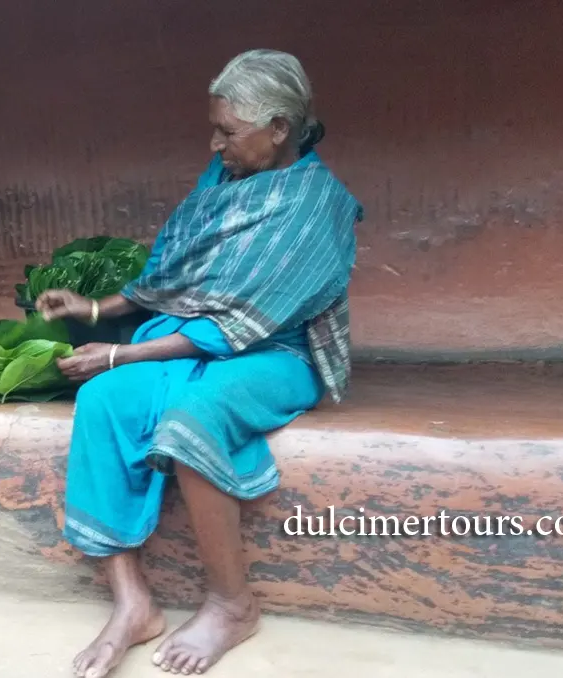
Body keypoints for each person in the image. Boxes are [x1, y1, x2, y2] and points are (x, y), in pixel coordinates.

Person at [36, 49, 362, 677]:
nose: (215, 144)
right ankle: (133, 604)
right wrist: (97, 310)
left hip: (277, 354)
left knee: (192, 417)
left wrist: (123, 352)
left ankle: (233, 605)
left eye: (228, 131)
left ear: (279, 129)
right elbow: (173, 279)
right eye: (214, 127)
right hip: (187, 341)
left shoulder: (316, 206)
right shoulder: (224, 182)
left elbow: (238, 324)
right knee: (104, 400)